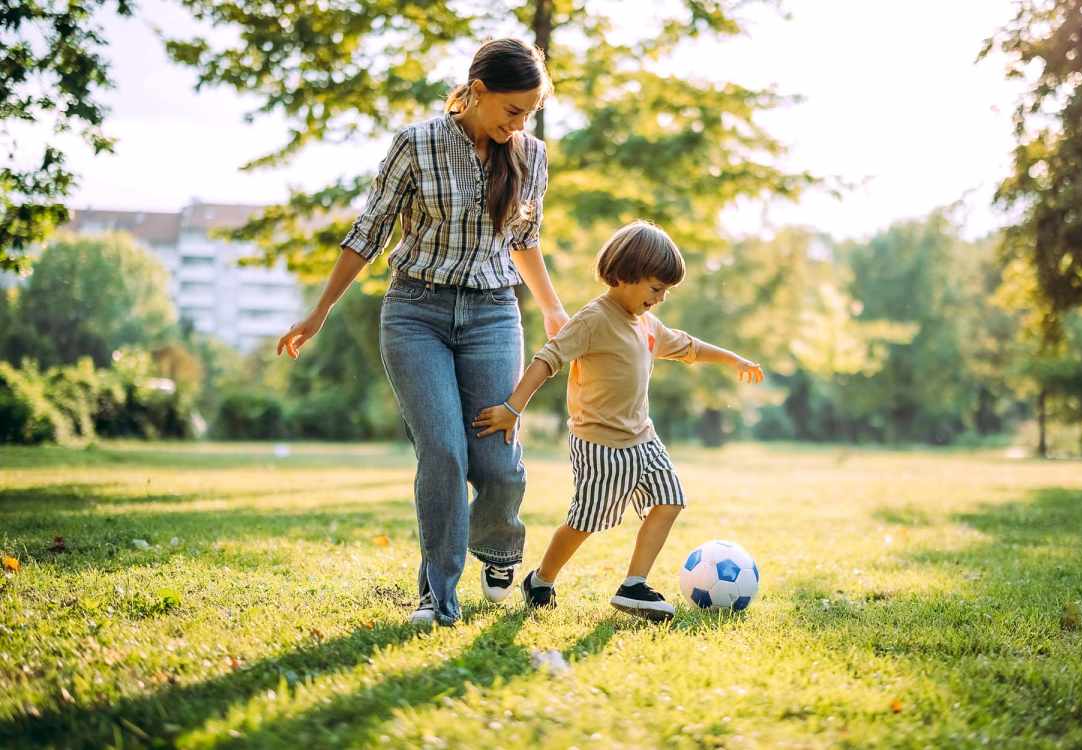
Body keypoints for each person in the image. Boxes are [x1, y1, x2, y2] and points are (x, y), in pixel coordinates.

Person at [276, 39, 569, 627]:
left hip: (491, 313)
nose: (520, 124)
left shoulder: (530, 154)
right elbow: (369, 232)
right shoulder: (417, 144)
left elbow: (524, 240)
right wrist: (320, 311)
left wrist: (553, 311)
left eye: (530, 113)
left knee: (498, 463)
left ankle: (498, 547)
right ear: (477, 92)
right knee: (441, 451)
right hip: (417, 313)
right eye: (513, 111)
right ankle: (438, 597)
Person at [472, 220, 764, 622]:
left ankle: (633, 585)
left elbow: (688, 347)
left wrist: (734, 359)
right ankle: (540, 579)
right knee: (585, 521)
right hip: (599, 444)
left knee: (670, 500)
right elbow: (547, 359)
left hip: (643, 437)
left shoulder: (646, 324)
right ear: (625, 274)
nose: (660, 299)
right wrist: (513, 408)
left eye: (665, 291)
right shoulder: (594, 319)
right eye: (655, 288)